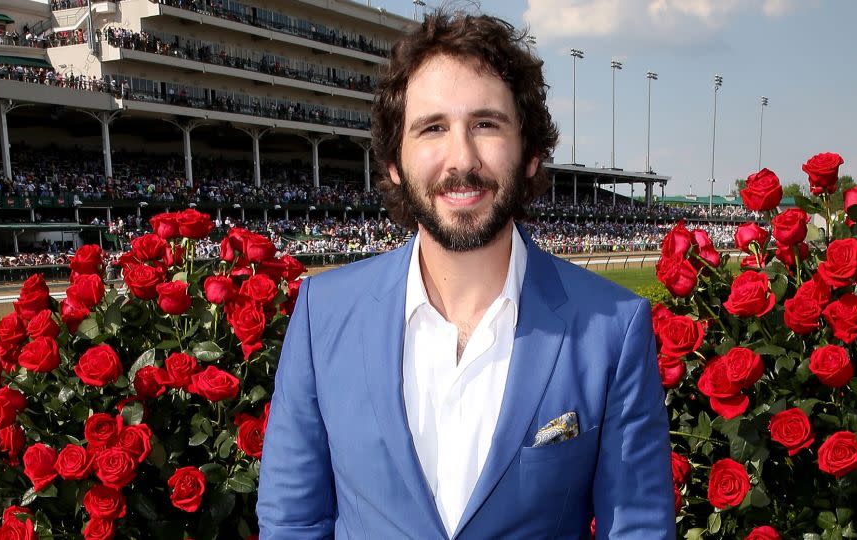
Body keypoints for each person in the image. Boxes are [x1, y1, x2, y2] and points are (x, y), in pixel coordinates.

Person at [257, 10, 674, 539]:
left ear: (529, 154)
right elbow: (293, 523)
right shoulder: (322, 313)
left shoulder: (613, 327)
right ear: (393, 162)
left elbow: (637, 528)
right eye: (433, 127)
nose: (462, 157)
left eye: (486, 123)